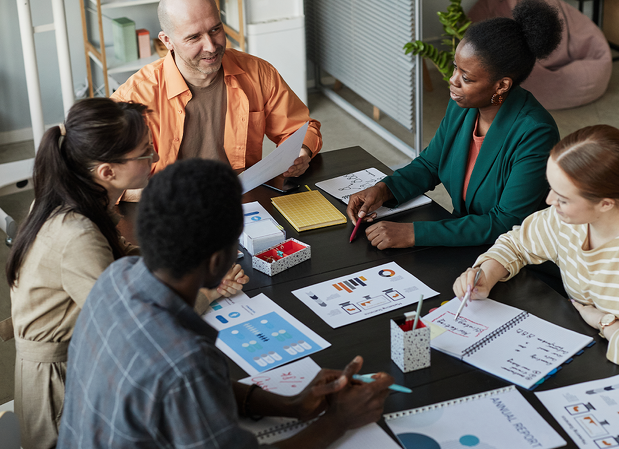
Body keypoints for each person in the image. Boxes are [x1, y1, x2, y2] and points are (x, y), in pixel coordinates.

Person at [57, 159, 394, 448]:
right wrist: (338, 420)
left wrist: (292, 405)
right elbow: (187, 380)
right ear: (219, 260)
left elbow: (193, 392)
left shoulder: (116, 277)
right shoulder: (187, 362)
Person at [3, 98, 247, 448]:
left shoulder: (77, 196)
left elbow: (122, 257)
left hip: (81, 358)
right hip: (62, 392)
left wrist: (183, 264)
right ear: (107, 171)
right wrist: (205, 292)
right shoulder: (76, 235)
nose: (156, 158)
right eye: (145, 153)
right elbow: (134, 321)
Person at [452, 125, 619, 392]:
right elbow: (518, 242)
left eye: (562, 198)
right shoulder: (574, 215)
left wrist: (606, 323)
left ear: (606, 203)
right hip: (595, 348)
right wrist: (485, 274)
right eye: (551, 188)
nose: (550, 201)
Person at [347, 0, 563, 249]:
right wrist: (384, 190)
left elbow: (506, 223)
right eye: (455, 68)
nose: (452, 81)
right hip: (466, 241)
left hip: (514, 255)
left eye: (466, 77)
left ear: (502, 85)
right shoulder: (464, 106)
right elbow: (431, 164)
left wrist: (414, 234)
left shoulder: (535, 132)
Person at [111, 0, 320, 198]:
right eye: (194, 38)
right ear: (167, 41)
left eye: (215, 30)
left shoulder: (257, 72)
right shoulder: (134, 96)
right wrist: (167, 194)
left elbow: (300, 128)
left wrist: (301, 153)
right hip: (168, 210)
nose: (211, 46)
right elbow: (99, 178)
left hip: (240, 200)